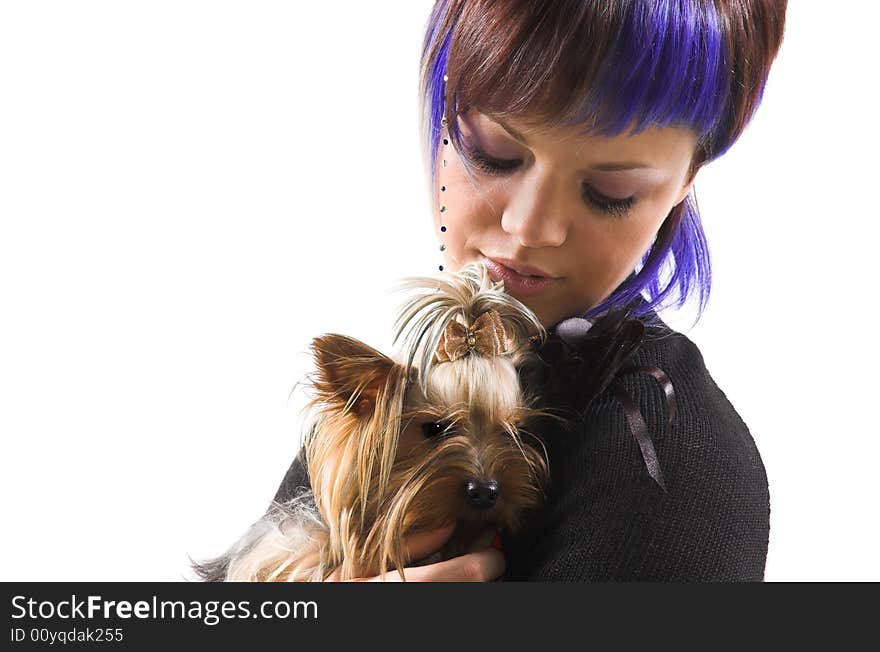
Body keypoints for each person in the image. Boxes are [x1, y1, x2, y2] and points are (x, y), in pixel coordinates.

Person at [272, 0, 788, 581]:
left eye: (608, 190)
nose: (529, 228)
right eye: (493, 154)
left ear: (685, 181)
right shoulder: (380, 409)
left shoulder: (671, 466)